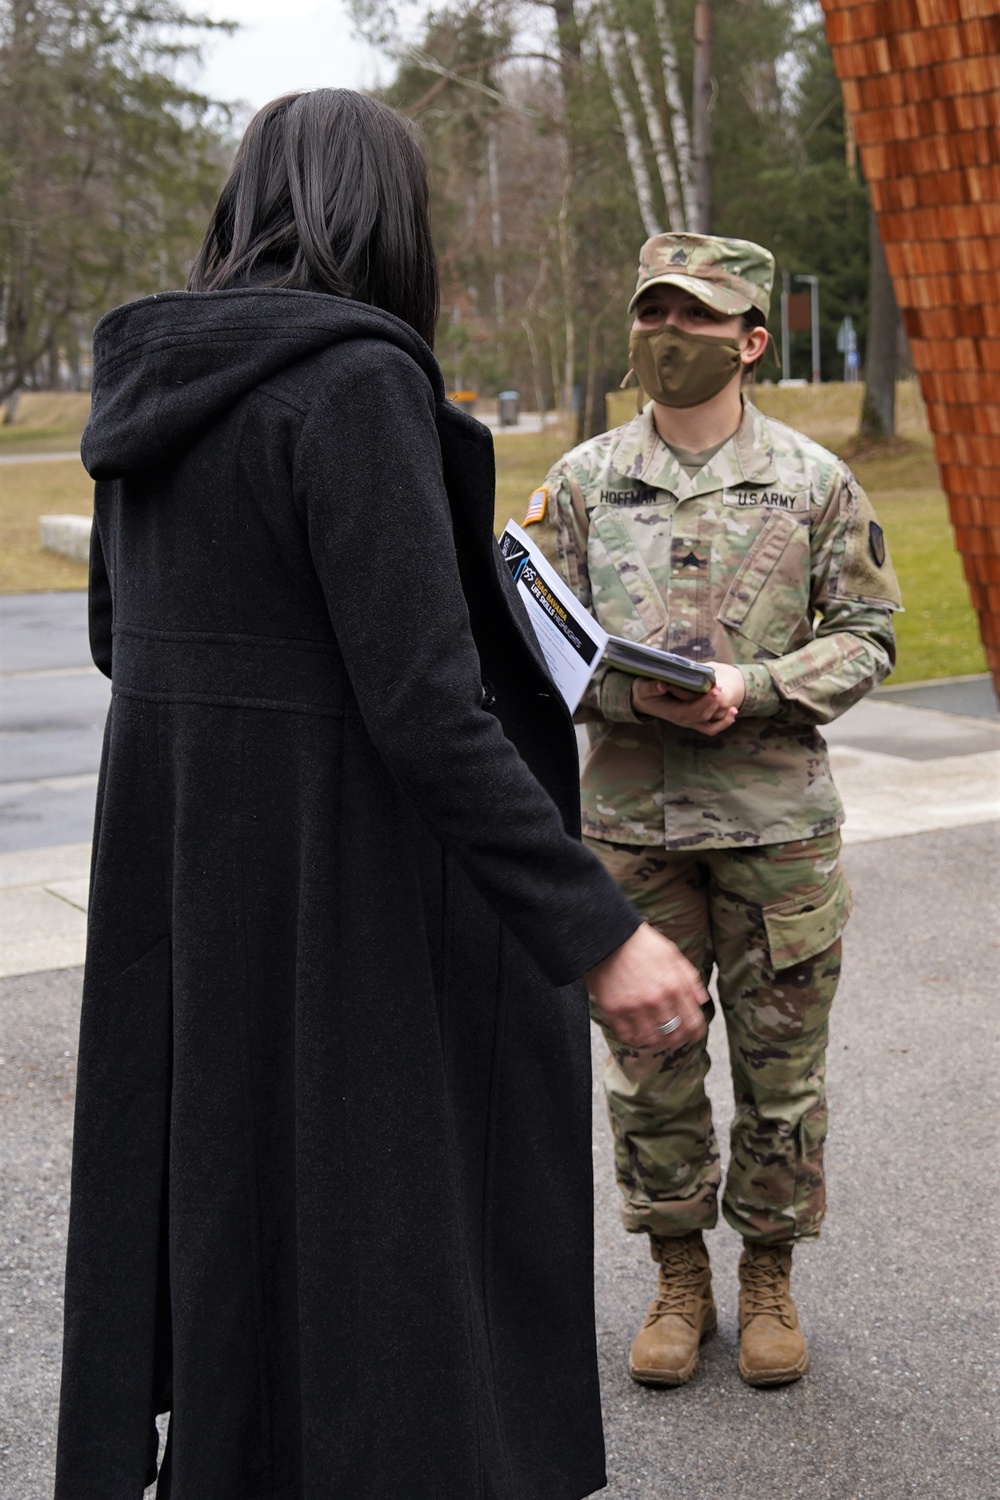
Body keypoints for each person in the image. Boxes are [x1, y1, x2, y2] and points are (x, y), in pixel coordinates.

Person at [54, 95, 709, 1500]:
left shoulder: (152, 386)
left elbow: (125, 643)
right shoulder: (352, 385)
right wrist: (599, 931)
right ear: (386, 221)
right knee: (373, 1258)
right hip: (344, 901)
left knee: (229, 1237)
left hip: (187, 893)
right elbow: (423, 704)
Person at [526, 232, 901, 1390]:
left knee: (783, 1074)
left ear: (749, 340)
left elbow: (870, 632)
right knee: (649, 1065)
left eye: (694, 320)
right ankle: (678, 1274)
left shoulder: (813, 482)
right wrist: (626, 688)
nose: (668, 339)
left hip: (776, 829)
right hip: (632, 835)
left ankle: (769, 1274)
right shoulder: (584, 483)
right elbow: (525, 636)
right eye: (654, 316)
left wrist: (761, 686)